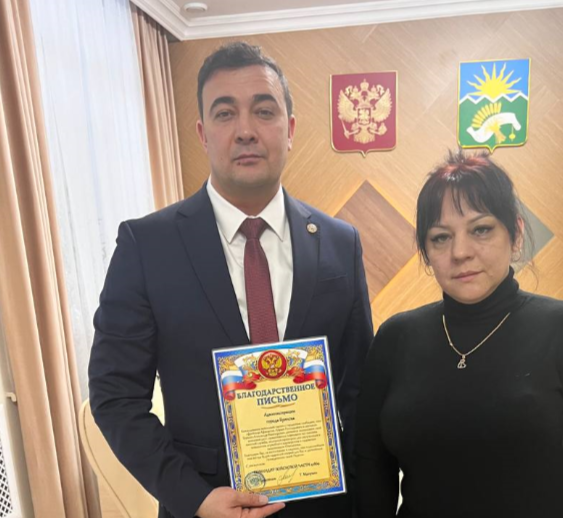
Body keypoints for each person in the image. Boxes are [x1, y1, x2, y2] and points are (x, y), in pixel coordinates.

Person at [89, 42, 373, 518]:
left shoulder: (339, 243)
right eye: (225, 114)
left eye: (264, 111)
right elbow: (115, 396)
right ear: (203, 133)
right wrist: (193, 497)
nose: (245, 130)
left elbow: (361, 392)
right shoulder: (147, 246)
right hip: (205, 506)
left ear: (290, 129)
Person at [354, 151, 563, 518]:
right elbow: (372, 464)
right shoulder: (395, 339)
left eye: (481, 230)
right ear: (426, 250)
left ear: (515, 233)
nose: (460, 252)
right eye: (440, 237)